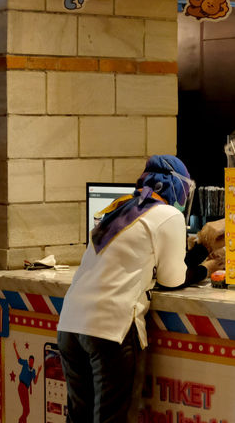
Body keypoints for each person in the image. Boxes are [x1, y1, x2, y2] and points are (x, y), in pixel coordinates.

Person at [56, 155, 223, 423]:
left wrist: (201, 251)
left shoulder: (121, 208)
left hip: (70, 325)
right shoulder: (168, 214)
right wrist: (209, 267)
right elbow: (172, 279)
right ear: (178, 187)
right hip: (110, 329)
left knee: (79, 418)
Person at [13, 342, 41, 423]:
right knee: (26, 410)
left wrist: (38, 372)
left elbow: (35, 382)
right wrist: (15, 349)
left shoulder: (33, 371)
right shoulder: (25, 363)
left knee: (26, 410)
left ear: (33, 362)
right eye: (30, 361)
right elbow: (19, 359)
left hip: (25, 389)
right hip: (21, 387)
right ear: (29, 361)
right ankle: (20, 421)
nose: (31, 363)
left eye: (32, 362)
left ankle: (21, 421)